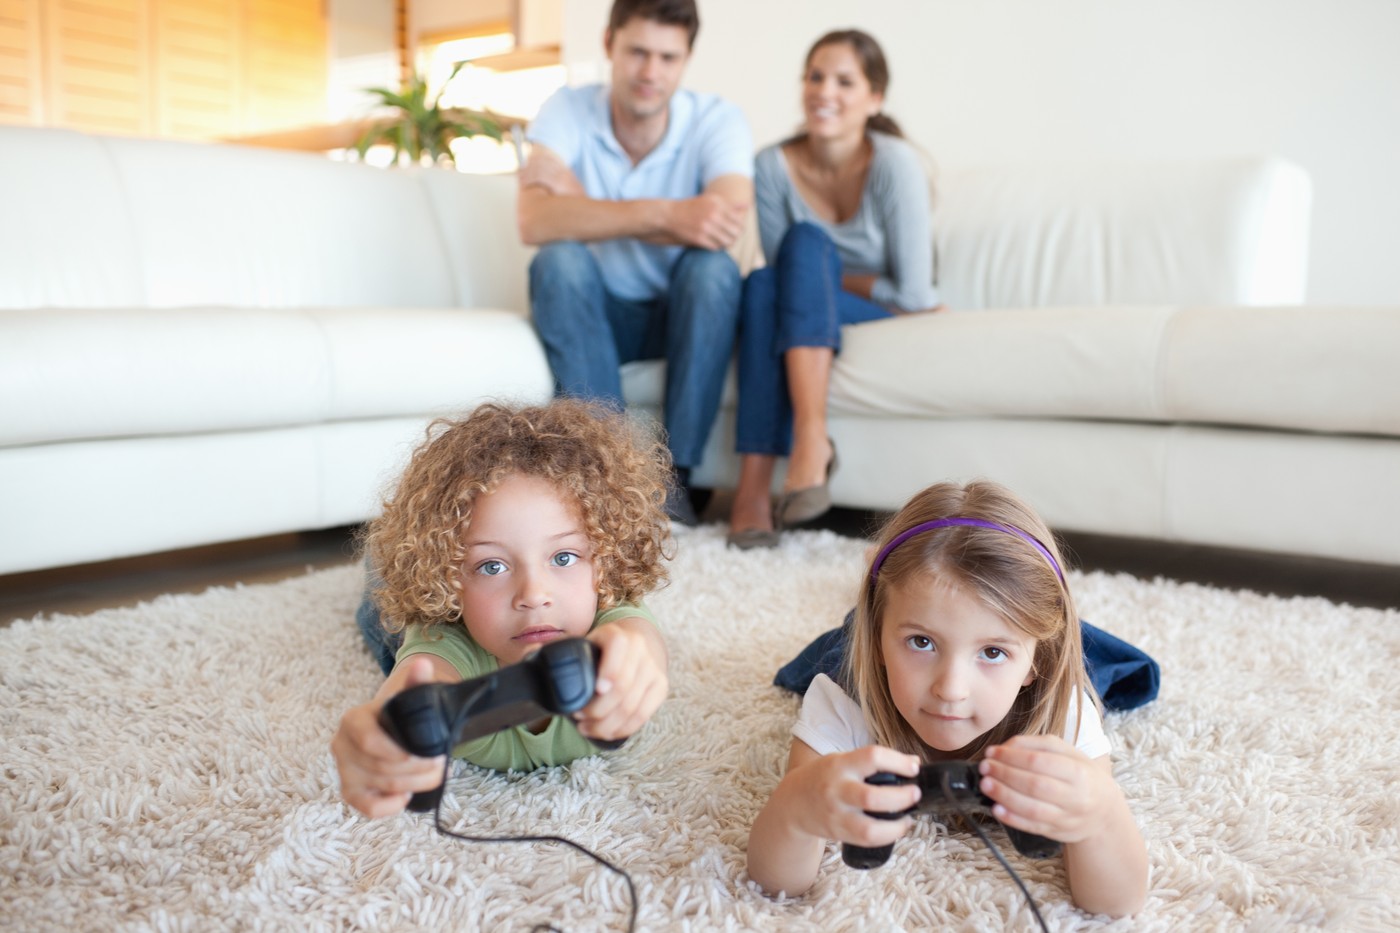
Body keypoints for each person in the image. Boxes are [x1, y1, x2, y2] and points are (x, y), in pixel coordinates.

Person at [747, 480, 1148, 917]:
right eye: (922, 643)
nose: (950, 688)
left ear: (1035, 663)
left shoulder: (1064, 714)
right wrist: (796, 806)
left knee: (1102, 657)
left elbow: (1117, 903)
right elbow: (776, 883)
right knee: (836, 645)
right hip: (865, 643)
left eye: (992, 652)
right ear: (878, 639)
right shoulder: (842, 697)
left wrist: (1103, 813)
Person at [332, 399, 673, 819]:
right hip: (424, 603)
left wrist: (634, 663)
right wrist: (382, 733)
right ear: (451, 579)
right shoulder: (444, 637)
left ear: (604, 561)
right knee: (384, 586)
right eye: (492, 566)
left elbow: (640, 641)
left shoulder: (607, 611)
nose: (533, 594)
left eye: (563, 557)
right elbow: (414, 683)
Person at [518, 0, 755, 527]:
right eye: (638, 52)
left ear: (687, 58)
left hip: (682, 315)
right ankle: (611, 477)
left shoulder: (716, 120)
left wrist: (579, 205)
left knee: (712, 271)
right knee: (558, 261)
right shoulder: (567, 109)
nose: (651, 72)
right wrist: (670, 213)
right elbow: (534, 221)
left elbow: (725, 226)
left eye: (668, 57)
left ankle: (680, 482)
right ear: (609, 45)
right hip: (597, 315)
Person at [726, 30, 939, 549]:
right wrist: (814, 273)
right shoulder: (771, 166)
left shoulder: (894, 163)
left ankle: (789, 458)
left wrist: (825, 275)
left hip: (878, 309)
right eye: (816, 77)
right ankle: (775, 471)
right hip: (800, 307)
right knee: (762, 283)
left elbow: (913, 293)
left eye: (845, 81)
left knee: (793, 259)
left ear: (874, 97)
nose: (826, 91)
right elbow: (785, 280)